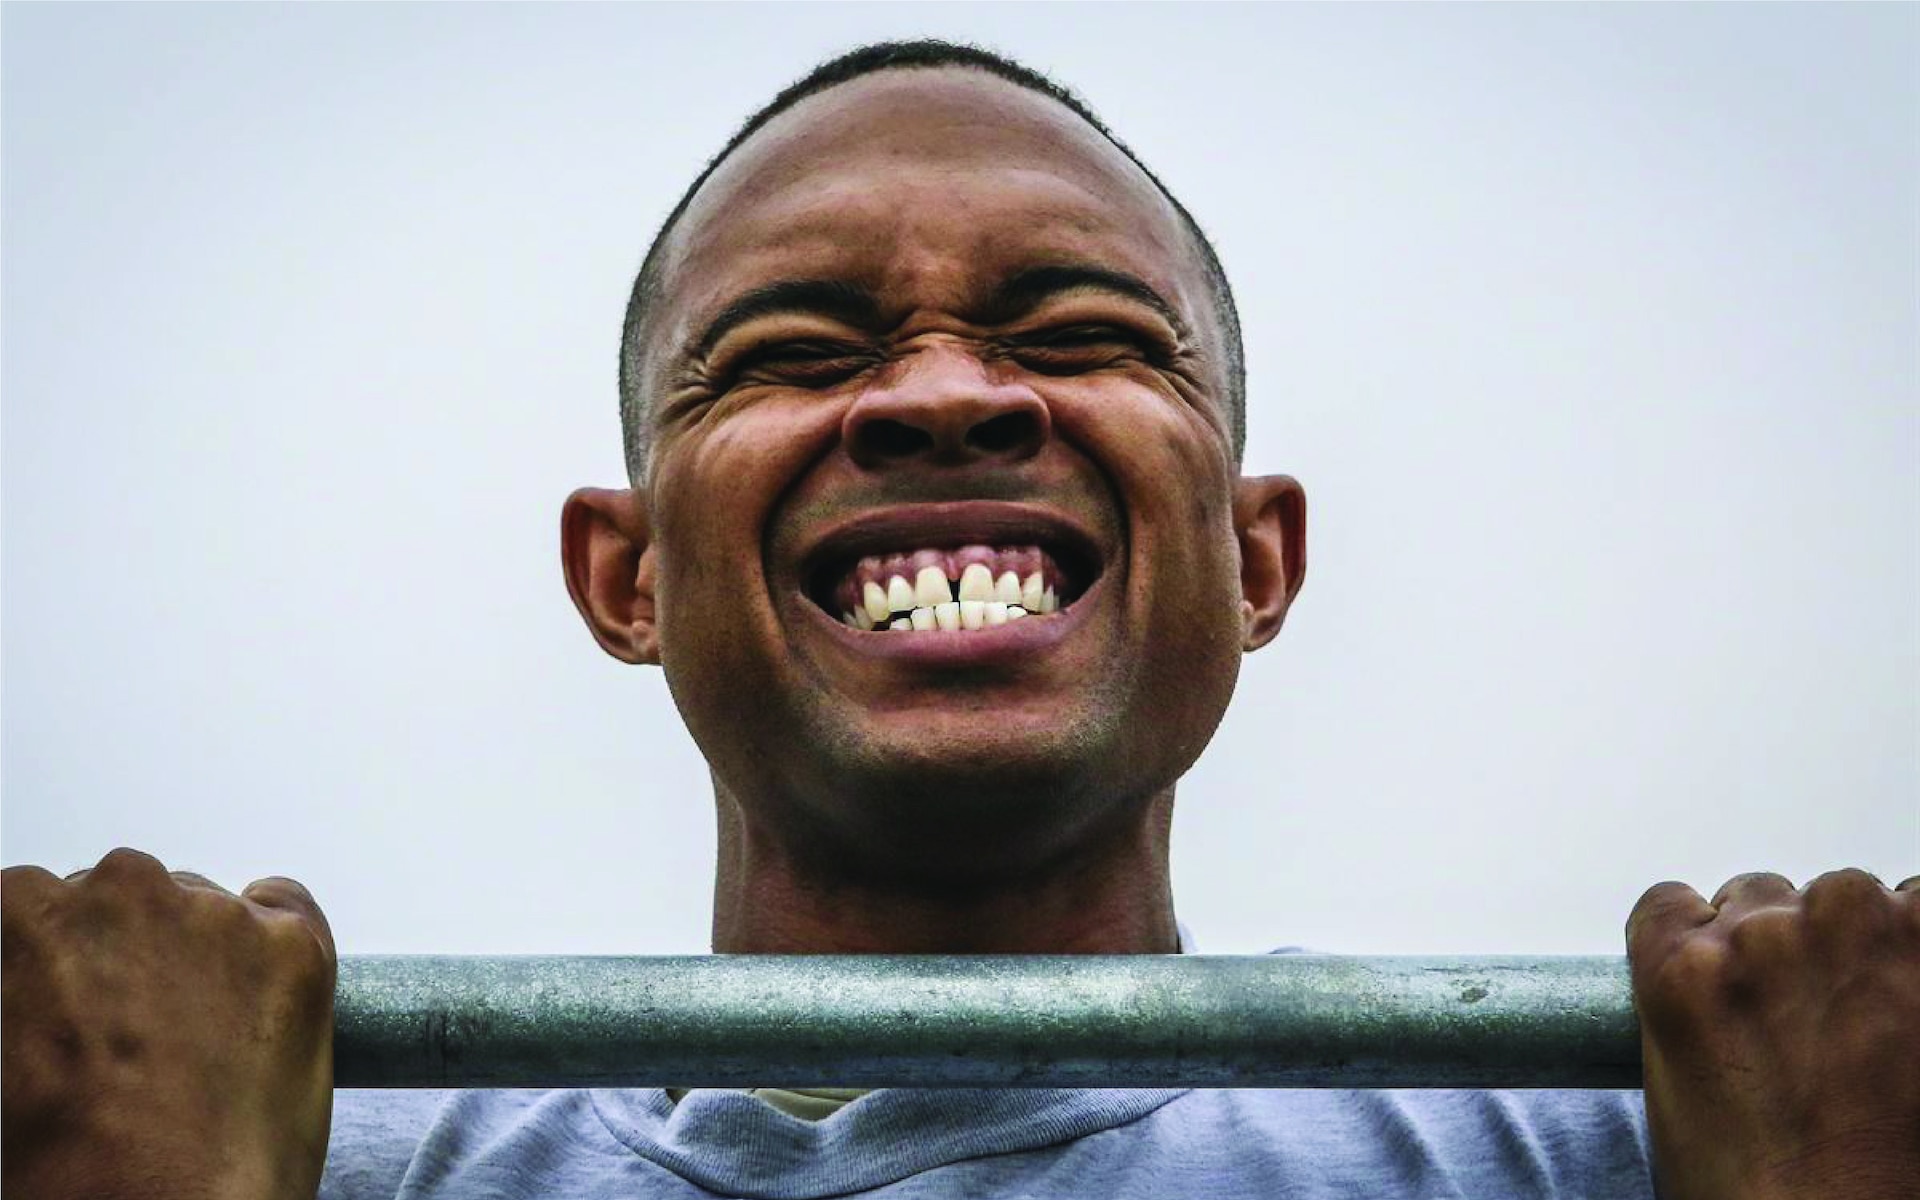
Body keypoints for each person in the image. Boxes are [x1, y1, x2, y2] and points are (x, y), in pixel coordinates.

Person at [4, 38, 1915, 1200]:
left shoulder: (1663, 1144)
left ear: (1256, 561)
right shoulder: (236, 1155)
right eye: (792, 349)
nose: (939, 393)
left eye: (1079, 335)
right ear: (630, 574)